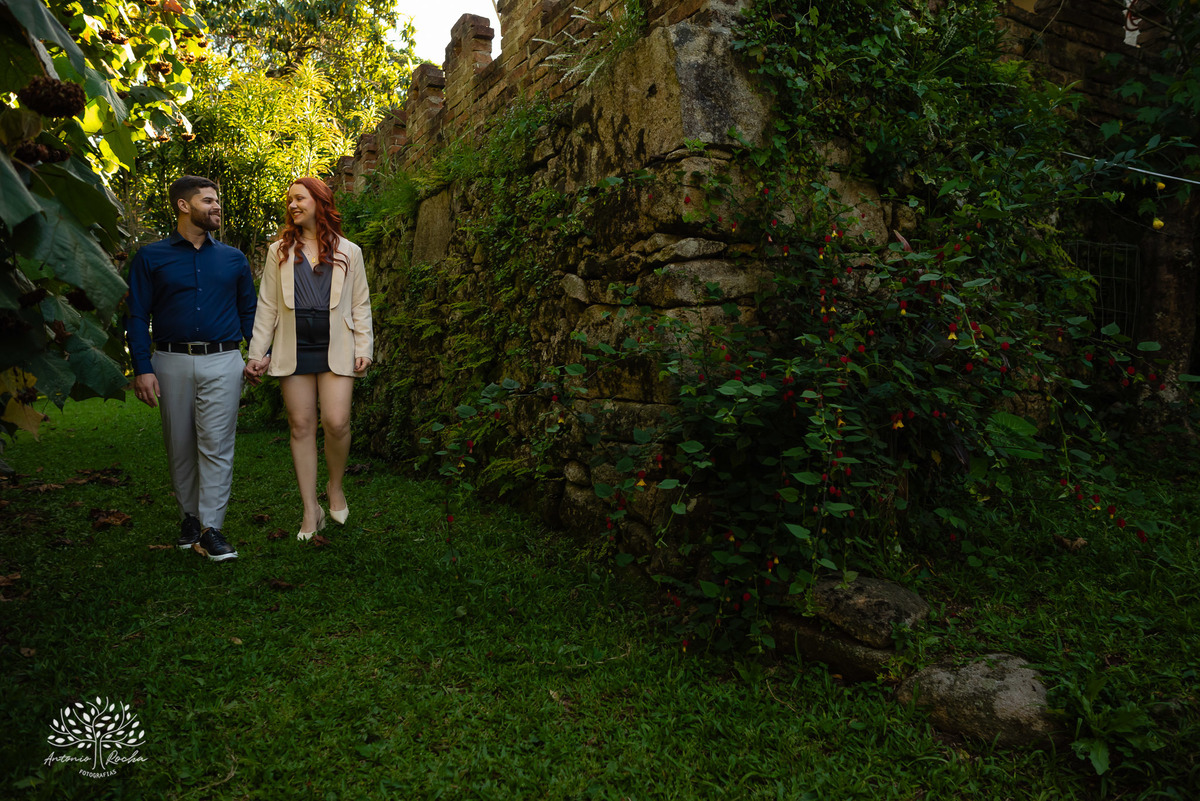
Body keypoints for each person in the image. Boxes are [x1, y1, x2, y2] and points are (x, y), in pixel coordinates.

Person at [126, 176, 256, 562]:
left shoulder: (234, 259)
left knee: (217, 445)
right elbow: (136, 314)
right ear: (184, 206)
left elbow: (249, 311)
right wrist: (142, 367)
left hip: (223, 359)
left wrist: (259, 353)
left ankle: (212, 528)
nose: (216, 207)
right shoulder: (150, 257)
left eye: (217, 201)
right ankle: (189, 517)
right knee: (179, 444)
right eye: (209, 201)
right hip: (170, 361)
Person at [245, 177, 373, 540]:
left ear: (319, 201)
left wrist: (364, 348)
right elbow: (267, 304)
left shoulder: (351, 251)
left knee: (336, 422)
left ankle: (334, 487)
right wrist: (258, 353)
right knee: (300, 426)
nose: (292, 205)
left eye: (299, 198)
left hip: (337, 346)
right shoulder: (278, 251)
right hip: (293, 347)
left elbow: (360, 304)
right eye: (289, 200)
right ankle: (309, 510)